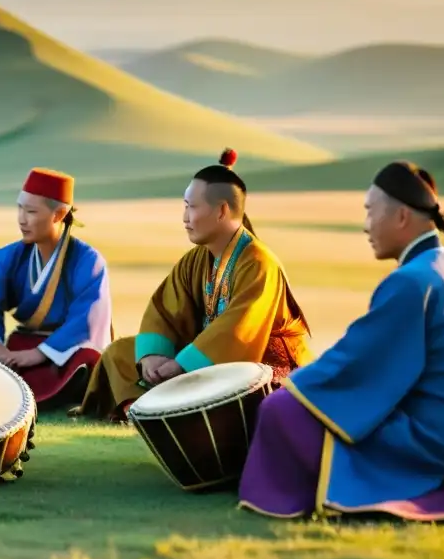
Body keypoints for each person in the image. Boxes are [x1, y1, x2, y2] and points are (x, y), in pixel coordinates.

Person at [239, 161, 444, 521]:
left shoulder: (413, 282)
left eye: (370, 211)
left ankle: (301, 495)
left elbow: (357, 363)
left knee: (281, 410)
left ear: (400, 217)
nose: (366, 224)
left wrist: (291, 386)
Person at [70, 148, 313, 422]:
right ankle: (140, 411)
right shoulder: (197, 259)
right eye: (184, 206)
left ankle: (162, 409)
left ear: (221, 211)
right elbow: (165, 310)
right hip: (204, 356)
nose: (185, 217)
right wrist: (154, 356)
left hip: (259, 365)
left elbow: (237, 332)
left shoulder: (258, 263)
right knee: (121, 353)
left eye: (192, 207)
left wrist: (182, 365)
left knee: (235, 386)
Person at [0, 167, 113, 408]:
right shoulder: (8, 257)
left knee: (83, 364)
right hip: (20, 346)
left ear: (59, 214)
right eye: (19, 208)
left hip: (66, 351)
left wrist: (40, 354)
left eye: (30, 211)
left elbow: (88, 318)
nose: (21, 219)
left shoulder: (88, 260)